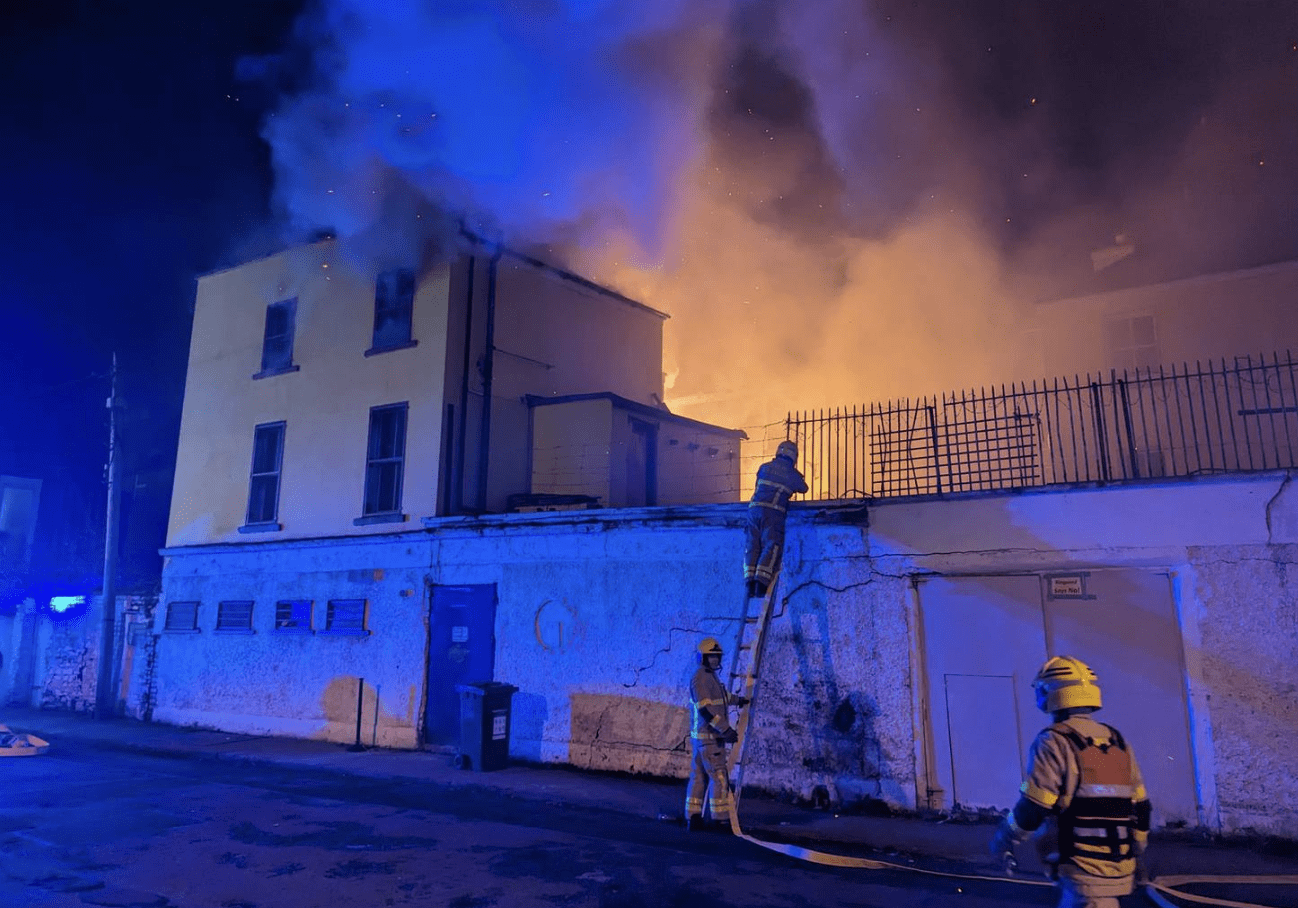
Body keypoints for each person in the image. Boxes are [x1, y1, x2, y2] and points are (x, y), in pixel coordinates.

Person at [991, 655, 1151, 908]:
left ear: (1051, 693)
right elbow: (1141, 806)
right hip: (1119, 868)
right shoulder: (1117, 741)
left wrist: (1005, 836)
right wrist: (1137, 849)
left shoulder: (1053, 741)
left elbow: (1034, 807)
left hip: (1082, 870)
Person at [685, 637, 747, 832]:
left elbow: (722, 697)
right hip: (710, 739)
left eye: (716, 657)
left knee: (699, 778)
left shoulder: (708, 677)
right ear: (702, 657)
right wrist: (725, 730)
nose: (714, 660)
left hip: (702, 740)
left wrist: (739, 700)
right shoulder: (701, 678)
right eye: (711, 656)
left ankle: (693, 818)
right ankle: (720, 820)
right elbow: (706, 710)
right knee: (719, 778)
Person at [744, 440, 808, 598]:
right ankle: (761, 584)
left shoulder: (764, 467)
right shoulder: (791, 474)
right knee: (771, 545)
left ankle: (749, 580)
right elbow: (803, 488)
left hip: (753, 510)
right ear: (794, 457)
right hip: (773, 512)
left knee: (753, 544)